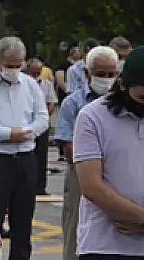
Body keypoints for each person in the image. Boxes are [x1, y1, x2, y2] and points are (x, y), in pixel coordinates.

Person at [0, 36, 49, 260]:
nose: (15, 70)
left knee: (23, 221)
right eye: (10, 65)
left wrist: (25, 133)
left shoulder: (30, 84)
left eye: (18, 65)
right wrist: (7, 134)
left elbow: (42, 118)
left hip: (25, 158)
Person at [74, 46, 144, 259]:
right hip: (105, 245)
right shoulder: (93, 117)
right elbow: (92, 187)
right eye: (142, 98)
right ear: (122, 85)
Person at [55, 45, 118, 260]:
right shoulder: (73, 104)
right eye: (101, 74)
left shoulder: (124, 103)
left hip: (119, 174)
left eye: (111, 74)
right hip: (81, 176)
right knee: (75, 227)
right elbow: (69, 147)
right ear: (87, 73)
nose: (107, 79)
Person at [25, 58, 58, 196]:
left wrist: (43, 116)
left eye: (39, 72)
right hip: (26, 123)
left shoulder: (46, 84)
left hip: (42, 124)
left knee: (41, 155)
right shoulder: (23, 83)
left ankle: (40, 186)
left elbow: (51, 102)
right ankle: (27, 185)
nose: (36, 74)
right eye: (34, 72)